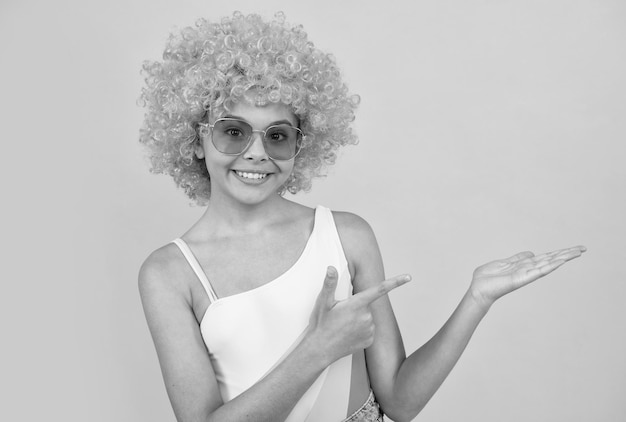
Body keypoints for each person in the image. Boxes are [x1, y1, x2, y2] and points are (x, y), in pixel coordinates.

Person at [138, 12, 585, 422]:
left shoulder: (346, 235)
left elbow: (400, 401)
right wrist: (318, 350)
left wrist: (476, 300)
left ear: (301, 145)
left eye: (277, 136)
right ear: (194, 139)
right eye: (232, 132)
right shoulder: (170, 273)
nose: (256, 152)